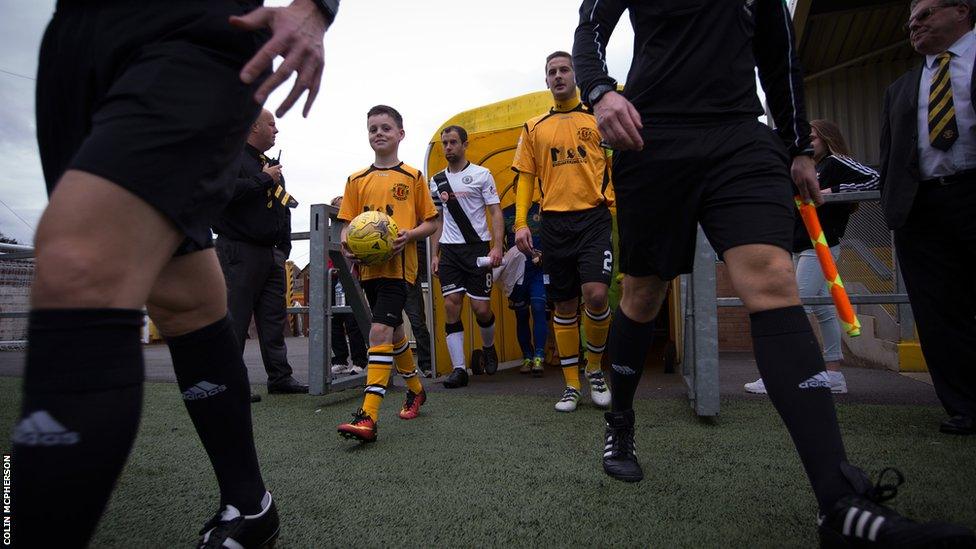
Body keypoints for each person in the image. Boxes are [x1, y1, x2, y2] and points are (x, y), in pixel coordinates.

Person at [573, 0, 975, 545]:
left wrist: (795, 148)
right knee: (643, 295)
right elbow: (591, 25)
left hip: (740, 137)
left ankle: (838, 505)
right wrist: (600, 91)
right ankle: (620, 422)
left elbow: (779, 58)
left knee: (771, 280)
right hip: (652, 137)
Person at [10, 0, 337, 546]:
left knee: (80, 264)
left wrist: (316, 8)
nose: (275, 129)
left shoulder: (259, 160)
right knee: (179, 293)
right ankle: (250, 503)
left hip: (197, 28)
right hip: (77, 37)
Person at [881, 0, 976, 436]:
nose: (914, 25)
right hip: (923, 209)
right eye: (911, 20)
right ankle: (964, 406)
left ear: (961, 10)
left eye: (925, 14)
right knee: (938, 312)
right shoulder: (901, 88)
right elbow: (890, 154)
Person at [745, 119, 879, 396]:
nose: (808, 143)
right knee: (823, 309)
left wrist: (833, 192)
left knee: (795, 306)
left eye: (813, 138)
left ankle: (781, 373)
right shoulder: (800, 166)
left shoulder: (836, 162)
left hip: (820, 246)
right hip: (800, 246)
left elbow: (876, 178)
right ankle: (833, 374)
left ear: (827, 139)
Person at [512, 51, 614, 412]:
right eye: (552, 72)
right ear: (546, 80)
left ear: (575, 75)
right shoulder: (534, 126)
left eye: (564, 70)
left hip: (594, 217)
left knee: (597, 295)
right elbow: (525, 178)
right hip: (554, 223)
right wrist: (521, 222)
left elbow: (617, 166)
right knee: (565, 303)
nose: (558, 76)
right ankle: (571, 385)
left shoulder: (597, 117)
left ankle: (595, 370)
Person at [335, 105, 439, 443]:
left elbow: (431, 221)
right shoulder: (355, 180)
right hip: (369, 271)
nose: (378, 133)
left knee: (378, 332)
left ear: (400, 134)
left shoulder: (412, 177)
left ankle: (368, 417)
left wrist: (409, 235)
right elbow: (346, 226)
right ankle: (417, 390)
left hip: (399, 270)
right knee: (393, 335)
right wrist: (347, 243)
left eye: (385, 128)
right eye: (372, 129)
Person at [214, 109, 309, 395]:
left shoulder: (269, 164)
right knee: (236, 319)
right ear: (253, 126)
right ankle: (229, 384)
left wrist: (284, 247)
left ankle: (280, 378)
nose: (276, 130)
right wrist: (264, 179)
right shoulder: (228, 156)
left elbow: (283, 207)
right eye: (271, 124)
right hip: (239, 250)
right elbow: (223, 192)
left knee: (273, 319)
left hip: (271, 254)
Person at [429, 125, 504, 388]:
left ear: (464, 144)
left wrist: (497, 247)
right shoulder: (436, 180)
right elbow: (437, 218)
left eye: (452, 142)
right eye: (444, 143)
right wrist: (435, 253)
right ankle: (459, 369)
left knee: (481, 309)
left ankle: (489, 347)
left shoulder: (482, 175)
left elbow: (495, 212)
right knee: (451, 304)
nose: (448, 147)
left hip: (478, 248)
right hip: (449, 250)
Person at [503, 201, 548, 376]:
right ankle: (527, 357)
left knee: (538, 308)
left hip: (539, 269)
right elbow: (502, 241)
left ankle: (539, 356)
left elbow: (551, 237)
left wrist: (546, 257)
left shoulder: (542, 209)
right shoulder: (506, 212)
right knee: (521, 315)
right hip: (517, 273)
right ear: (515, 188)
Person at [328, 196, 369, 376]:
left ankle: (359, 360)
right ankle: (340, 359)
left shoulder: (355, 228)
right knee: (333, 320)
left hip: (349, 276)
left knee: (353, 320)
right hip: (332, 277)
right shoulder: (329, 230)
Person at [403, 240, 434, 375]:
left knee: (417, 322)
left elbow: (422, 243)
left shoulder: (412, 223)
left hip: (409, 276)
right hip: (390, 276)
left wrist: (417, 270)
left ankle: (427, 364)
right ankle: (392, 365)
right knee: (389, 326)